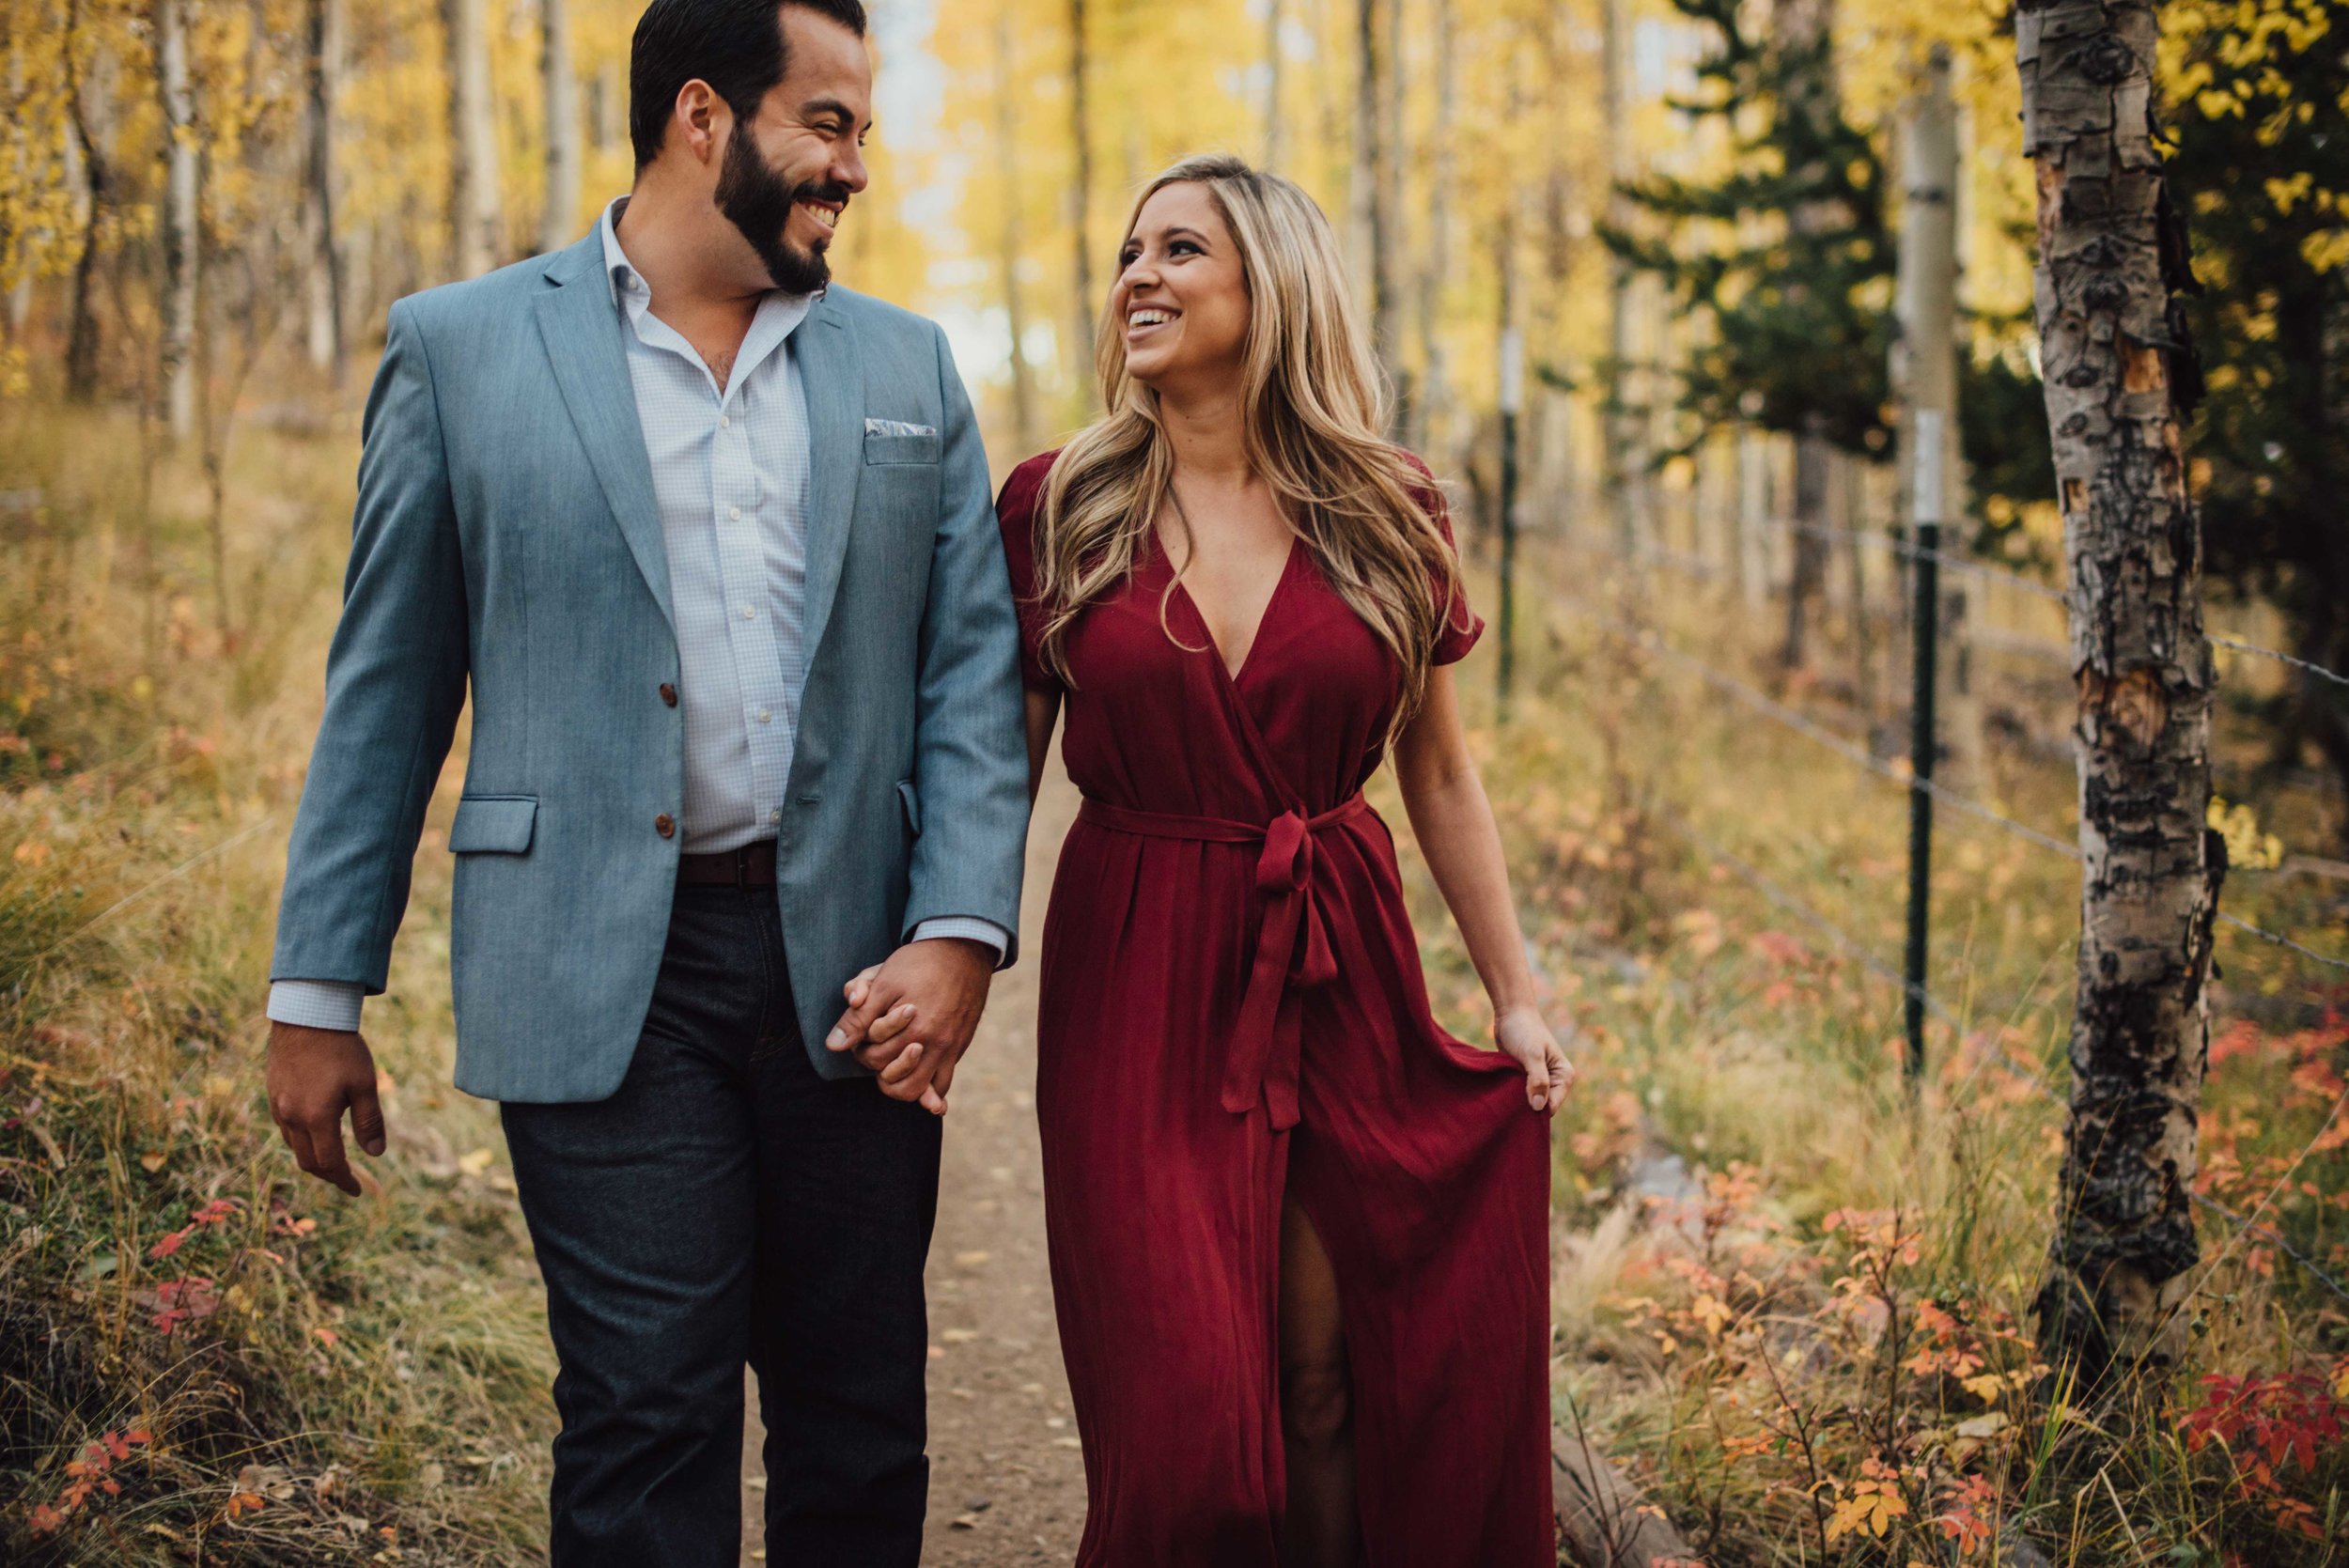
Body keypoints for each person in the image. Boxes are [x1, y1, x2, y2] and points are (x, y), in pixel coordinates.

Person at [259, 3, 1029, 1562]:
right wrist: (317, 982)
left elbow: (970, 680)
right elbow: (387, 688)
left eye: (860, 131)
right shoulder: (461, 347)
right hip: (599, 964)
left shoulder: (908, 368)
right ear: (702, 117)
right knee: (645, 1418)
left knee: (861, 1419)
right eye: (826, 123)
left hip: (854, 978)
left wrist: (959, 929)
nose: (852, 167)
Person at [979, 152, 1565, 1562]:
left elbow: (1437, 766)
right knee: (1187, 1425)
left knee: (1322, 1386)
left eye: (1179, 250)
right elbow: (1002, 760)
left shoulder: (1390, 507)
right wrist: (948, 955)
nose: (1138, 276)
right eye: (1130, 251)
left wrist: (1517, 986)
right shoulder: (1057, 502)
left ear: (1273, 283)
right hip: (1136, 957)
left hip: (1338, 950)